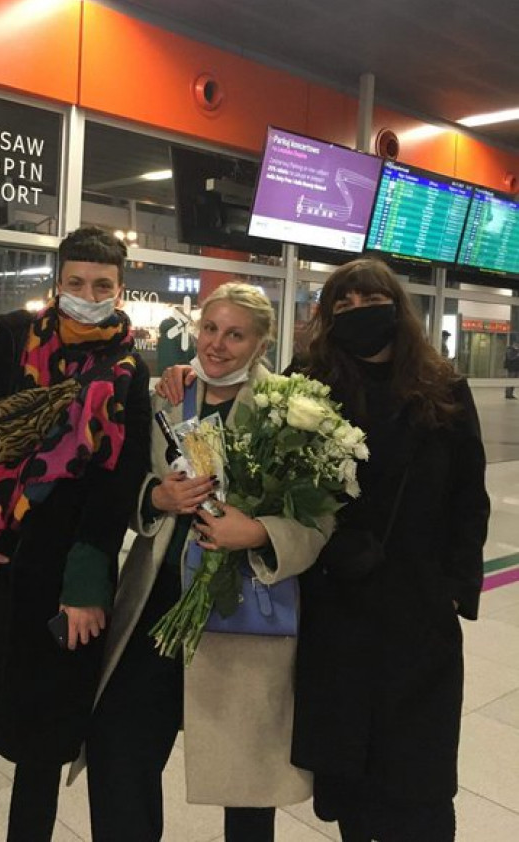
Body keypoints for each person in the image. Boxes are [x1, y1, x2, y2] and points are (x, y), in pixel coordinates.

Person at [0, 226, 151, 842]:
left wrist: (87, 581)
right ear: (58, 283)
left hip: (61, 583)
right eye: (76, 282)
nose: (88, 295)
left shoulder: (129, 369)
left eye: (101, 285)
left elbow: (119, 480)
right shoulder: (10, 342)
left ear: (120, 290)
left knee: (42, 744)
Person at [84, 283, 331, 842]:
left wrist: (259, 532)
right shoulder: (168, 397)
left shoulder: (292, 412)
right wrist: (155, 497)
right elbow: (121, 482)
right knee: (118, 748)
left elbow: (321, 522)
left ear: (262, 343)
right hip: (158, 605)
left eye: (235, 334)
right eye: (210, 329)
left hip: (240, 613)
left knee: (245, 781)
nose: (217, 344)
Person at [288, 257, 489, 842]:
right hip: (337, 604)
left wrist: (454, 589)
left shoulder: (442, 389)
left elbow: (469, 496)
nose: (357, 312)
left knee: (419, 774)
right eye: (343, 305)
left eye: (370, 301)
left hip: (417, 607)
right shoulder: (307, 385)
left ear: (397, 309)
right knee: (350, 767)